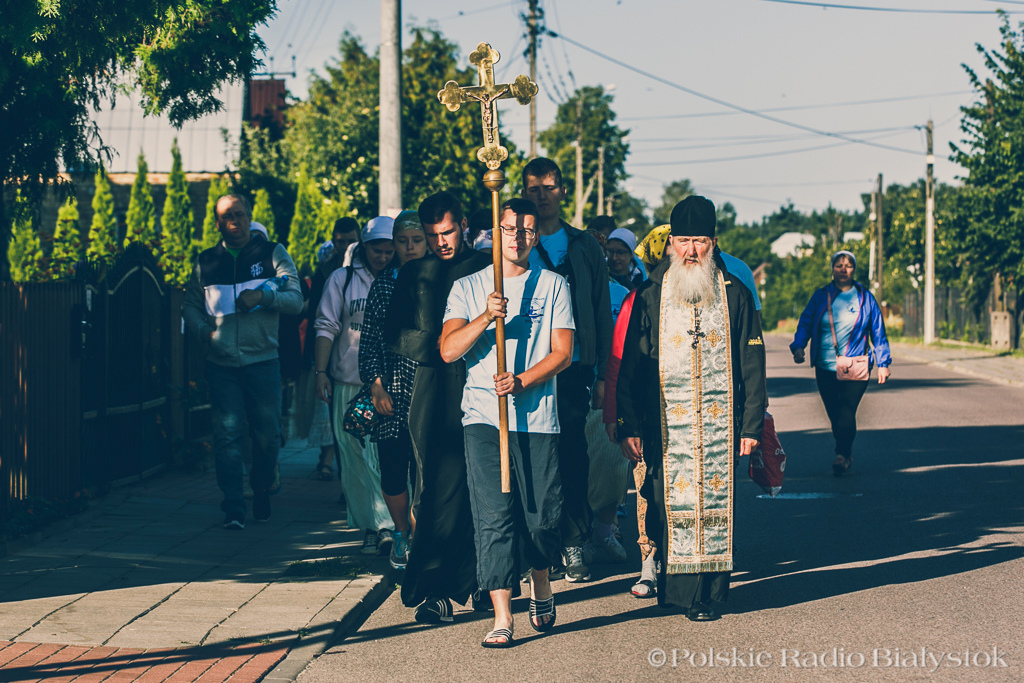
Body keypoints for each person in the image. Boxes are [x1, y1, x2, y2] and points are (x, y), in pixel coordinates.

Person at [616, 195, 767, 622]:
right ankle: (674, 587)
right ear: (671, 244)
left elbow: (752, 361)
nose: (691, 251)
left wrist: (751, 424)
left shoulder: (735, 294)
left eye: (699, 241)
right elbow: (629, 364)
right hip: (662, 426)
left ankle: (704, 596)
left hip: (720, 427)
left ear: (713, 243)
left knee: (713, 504)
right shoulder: (650, 294)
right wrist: (626, 422)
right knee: (663, 507)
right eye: (683, 241)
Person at [440, 198, 574, 648]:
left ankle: (541, 582)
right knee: (493, 517)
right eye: (510, 229)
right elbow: (448, 350)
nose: (518, 238)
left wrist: (521, 381)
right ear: (495, 234)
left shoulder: (552, 285)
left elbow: (563, 353)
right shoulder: (468, 286)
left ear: (536, 236)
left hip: (536, 418)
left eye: (527, 230)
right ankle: (502, 616)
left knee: (540, 518)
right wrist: (486, 317)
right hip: (484, 417)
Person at [384, 191, 491, 623]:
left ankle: (486, 579)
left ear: (462, 225)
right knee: (435, 488)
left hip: (481, 382)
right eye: (432, 235)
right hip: (433, 387)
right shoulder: (415, 273)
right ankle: (437, 588)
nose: (440, 242)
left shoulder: (486, 266)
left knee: (484, 485)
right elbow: (395, 332)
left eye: (446, 232)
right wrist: (442, 346)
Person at [183, 194, 303, 529]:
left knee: (268, 436)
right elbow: (190, 306)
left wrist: (263, 295)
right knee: (227, 434)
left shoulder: (271, 253)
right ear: (217, 223)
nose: (234, 221)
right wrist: (206, 333)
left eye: (239, 214)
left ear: (249, 217)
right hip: (221, 363)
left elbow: (296, 300)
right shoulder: (207, 261)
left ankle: (262, 487)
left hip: (263, 360)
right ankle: (233, 505)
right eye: (226, 216)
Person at [521, 157, 613, 583]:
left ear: (561, 191)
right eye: (533, 188)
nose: (541, 195)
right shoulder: (515, 242)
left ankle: (574, 541)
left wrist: (602, 376)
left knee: (573, 454)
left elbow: (600, 311)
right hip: (527, 369)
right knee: (533, 457)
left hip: (574, 367)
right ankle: (538, 547)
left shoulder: (584, 245)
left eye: (548, 187)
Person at [315, 217, 396, 555]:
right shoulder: (342, 279)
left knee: (382, 457)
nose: (384, 256)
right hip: (349, 384)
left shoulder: (401, 278)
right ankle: (370, 525)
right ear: (364, 247)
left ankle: (388, 525)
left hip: (390, 387)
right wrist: (321, 371)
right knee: (353, 459)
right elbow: (326, 325)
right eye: (377, 250)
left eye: (390, 250)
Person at [358, 210, 428, 569]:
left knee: (427, 471)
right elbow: (369, 341)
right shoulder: (384, 284)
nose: (410, 247)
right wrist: (376, 386)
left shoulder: (439, 278)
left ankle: (424, 537)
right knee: (392, 467)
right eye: (403, 241)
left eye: (417, 240)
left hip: (429, 389)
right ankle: (401, 532)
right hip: (392, 390)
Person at [790, 250, 891, 475]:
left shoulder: (865, 298)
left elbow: (878, 330)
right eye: (839, 265)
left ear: (854, 269)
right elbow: (806, 321)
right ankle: (845, 451)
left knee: (846, 410)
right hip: (825, 365)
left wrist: (883, 363)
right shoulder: (821, 296)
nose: (843, 270)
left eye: (848, 265)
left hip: (856, 364)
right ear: (832, 269)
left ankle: (842, 454)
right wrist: (799, 345)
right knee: (834, 412)